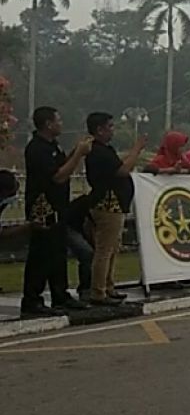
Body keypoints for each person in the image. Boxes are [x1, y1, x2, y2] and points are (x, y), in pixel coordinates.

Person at [21, 106, 91, 316]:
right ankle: (32, 299)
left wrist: (75, 151)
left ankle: (60, 295)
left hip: (59, 206)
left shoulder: (53, 146)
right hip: (44, 207)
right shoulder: (37, 148)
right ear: (48, 124)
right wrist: (78, 155)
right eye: (58, 120)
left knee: (58, 252)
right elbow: (58, 176)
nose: (61, 124)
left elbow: (63, 165)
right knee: (42, 253)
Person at [83, 112, 147, 306]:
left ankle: (108, 286)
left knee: (112, 249)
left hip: (115, 204)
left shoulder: (105, 149)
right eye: (110, 127)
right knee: (104, 249)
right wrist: (136, 150)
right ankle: (98, 292)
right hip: (107, 204)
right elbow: (122, 170)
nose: (113, 130)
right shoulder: (98, 151)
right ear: (99, 130)